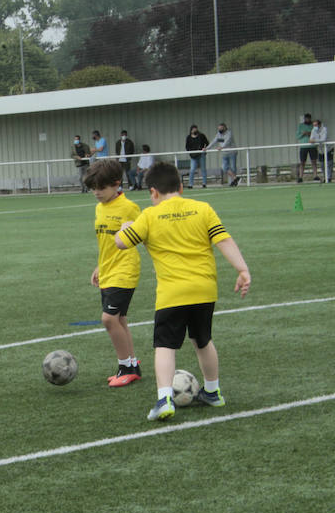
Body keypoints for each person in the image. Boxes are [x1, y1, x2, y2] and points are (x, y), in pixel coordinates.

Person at [114, 162, 251, 421]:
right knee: (202, 340)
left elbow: (121, 243)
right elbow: (224, 239)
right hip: (204, 289)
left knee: (165, 345)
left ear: (153, 192)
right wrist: (242, 269)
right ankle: (212, 391)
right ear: (180, 186)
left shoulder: (149, 216)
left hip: (172, 293)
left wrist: (124, 229)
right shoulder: (202, 209)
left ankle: (165, 398)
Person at [82, 160, 143, 388]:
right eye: (93, 188)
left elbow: (144, 234)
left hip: (125, 270)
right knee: (120, 319)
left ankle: (125, 367)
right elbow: (106, 242)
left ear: (116, 184)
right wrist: (100, 266)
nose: (96, 193)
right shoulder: (99, 208)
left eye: (101, 188)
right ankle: (132, 365)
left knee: (108, 319)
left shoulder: (129, 208)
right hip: (108, 270)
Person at [296, 113, 318, 182]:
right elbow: (297, 136)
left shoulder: (313, 126)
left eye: (309, 118)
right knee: (302, 162)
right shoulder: (300, 126)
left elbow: (316, 135)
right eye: (306, 118)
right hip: (304, 146)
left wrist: (310, 134)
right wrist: (303, 133)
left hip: (312, 146)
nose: (307, 120)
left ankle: (315, 175)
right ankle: (300, 177)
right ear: (304, 119)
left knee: (314, 161)